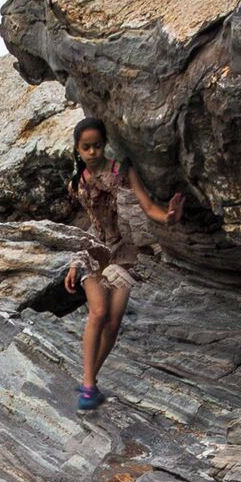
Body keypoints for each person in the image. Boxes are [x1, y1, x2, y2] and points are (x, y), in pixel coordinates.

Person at [65, 118, 185, 409]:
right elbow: (86, 222)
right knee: (99, 311)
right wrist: (73, 262)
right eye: (86, 148)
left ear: (104, 144)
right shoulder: (77, 181)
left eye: (96, 146)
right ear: (78, 150)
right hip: (94, 251)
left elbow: (145, 204)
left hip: (124, 253)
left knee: (114, 323)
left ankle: (89, 382)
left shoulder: (122, 171)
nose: (92, 152)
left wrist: (166, 217)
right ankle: (88, 384)